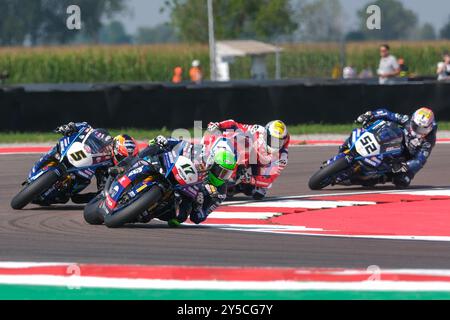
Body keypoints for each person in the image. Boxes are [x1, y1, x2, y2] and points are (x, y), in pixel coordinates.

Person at [138, 136, 237, 226]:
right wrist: (165, 141)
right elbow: (181, 144)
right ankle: (132, 163)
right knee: (156, 147)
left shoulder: (220, 192)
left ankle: (149, 211)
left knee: (181, 216)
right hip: (171, 171)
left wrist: (199, 205)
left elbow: (198, 218)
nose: (221, 176)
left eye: (226, 174)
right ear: (212, 162)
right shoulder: (200, 152)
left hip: (181, 194)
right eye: (220, 171)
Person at [54, 122, 139, 203]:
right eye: (121, 157)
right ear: (116, 149)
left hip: (87, 171)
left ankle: (70, 193)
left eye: (126, 159)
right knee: (58, 148)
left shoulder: (114, 169)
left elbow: (107, 188)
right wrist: (72, 127)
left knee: (88, 195)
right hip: (80, 153)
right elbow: (87, 128)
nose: (122, 161)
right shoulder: (104, 136)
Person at [353, 107, 437, 188]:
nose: (417, 131)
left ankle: (378, 178)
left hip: (406, 158)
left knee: (402, 182)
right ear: (412, 121)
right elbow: (387, 114)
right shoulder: (406, 119)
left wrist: (405, 166)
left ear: (430, 127)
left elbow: (420, 160)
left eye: (422, 129)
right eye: (415, 127)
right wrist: (371, 114)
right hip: (396, 142)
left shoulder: (429, 141)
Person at [207, 119, 290, 199]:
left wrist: (250, 180)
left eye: (279, 142)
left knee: (259, 191)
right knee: (242, 142)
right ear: (266, 135)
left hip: (260, 166)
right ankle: (221, 168)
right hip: (244, 157)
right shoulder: (257, 130)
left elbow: (268, 179)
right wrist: (218, 125)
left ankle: (234, 185)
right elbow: (234, 124)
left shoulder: (282, 157)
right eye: (273, 140)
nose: (275, 145)